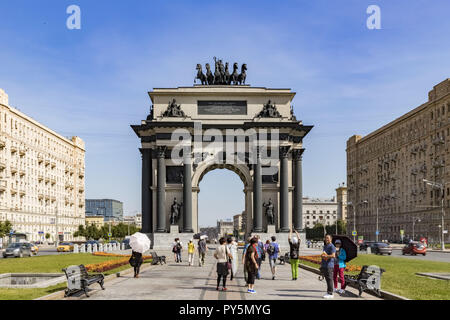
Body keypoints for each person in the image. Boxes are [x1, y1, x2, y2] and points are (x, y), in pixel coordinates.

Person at [321, 234, 336, 299]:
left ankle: (330, 293)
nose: (326, 239)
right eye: (325, 238)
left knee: (329, 279)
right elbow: (324, 254)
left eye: (328, 238)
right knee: (327, 279)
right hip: (324, 264)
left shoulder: (332, 246)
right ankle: (328, 292)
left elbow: (333, 255)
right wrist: (322, 256)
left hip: (329, 265)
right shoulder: (325, 246)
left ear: (331, 239)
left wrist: (326, 256)